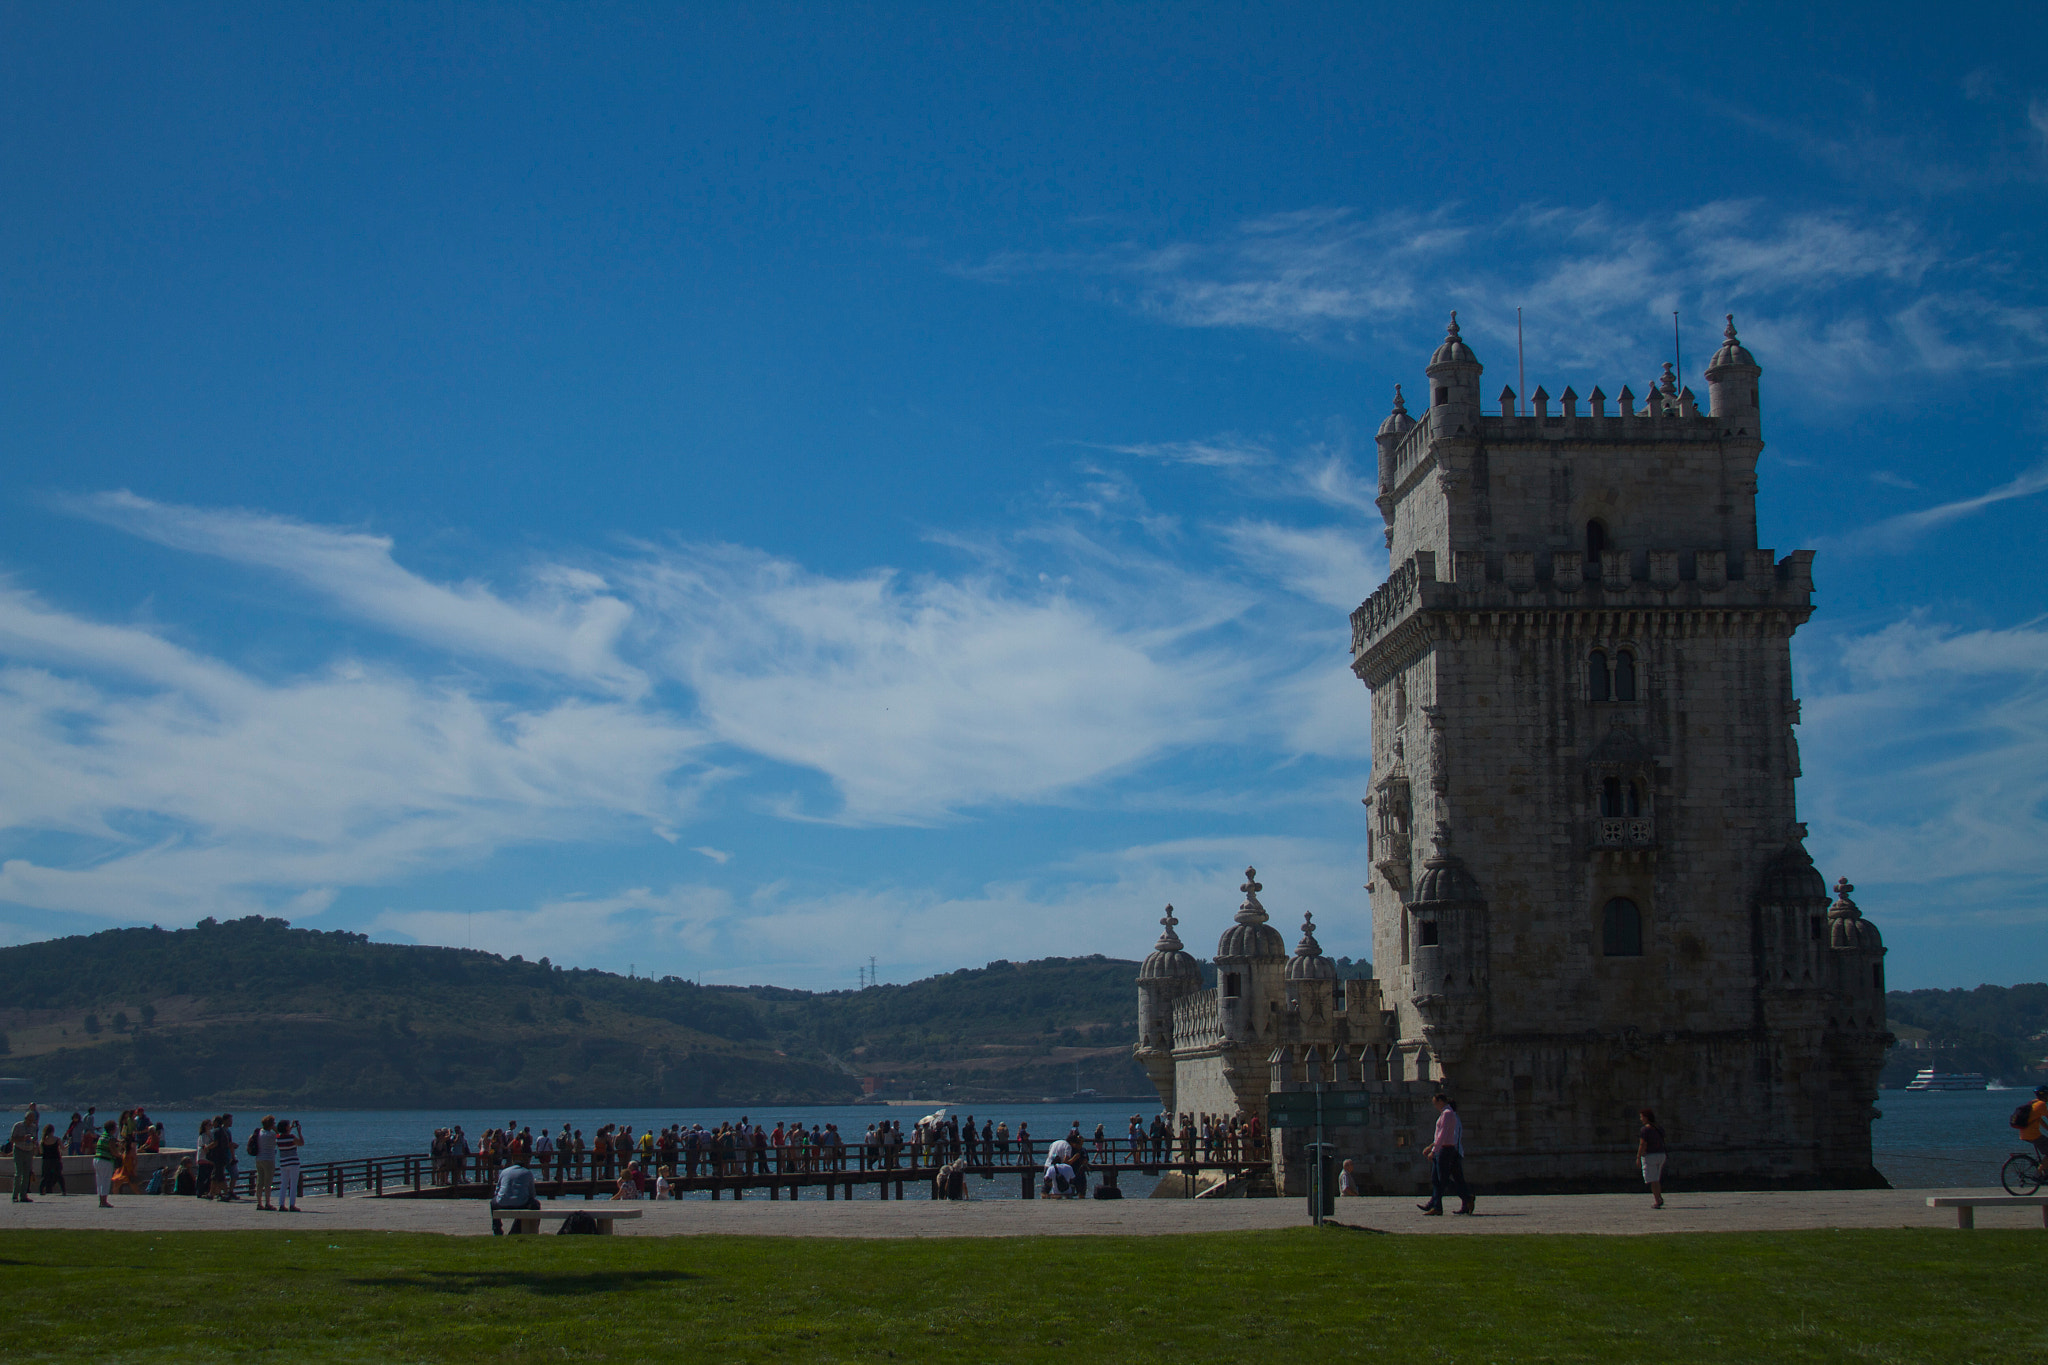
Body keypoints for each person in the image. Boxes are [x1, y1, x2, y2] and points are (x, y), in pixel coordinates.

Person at [1418, 1093, 1473, 1216]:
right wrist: (1432, 1147)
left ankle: (1465, 1197)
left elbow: (1443, 1135)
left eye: (1435, 1102)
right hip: (1442, 1149)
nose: (1434, 1105)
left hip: (1446, 1150)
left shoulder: (1448, 1114)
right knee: (1436, 1179)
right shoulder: (1445, 1114)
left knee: (1442, 1179)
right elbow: (1439, 1135)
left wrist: (1434, 1150)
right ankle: (1436, 1205)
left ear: (1441, 1101)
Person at [491, 1154, 539, 1235]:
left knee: (492, 1202)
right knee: (535, 1205)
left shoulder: (504, 1171)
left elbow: (497, 1190)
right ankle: (517, 1229)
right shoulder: (527, 1173)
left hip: (502, 1202)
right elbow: (532, 1193)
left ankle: (497, 1227)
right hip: (521, 1203)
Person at [1638, 1109, 1668, 1209]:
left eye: (1642, 1117)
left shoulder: (1645, 1130)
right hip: (1661, 1154)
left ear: (1646, 1117)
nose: (1641, 1119)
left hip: (1650, 1156)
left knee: (1652, 1179)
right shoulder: (1659, 1128)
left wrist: (1639, 1157)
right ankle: (1659, 1197)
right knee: (1656, 1178)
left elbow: (1643, 1144)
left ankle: (1657, 1200)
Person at [9, 1105, 38, 1202]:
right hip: (19, 1150)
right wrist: (23, 1138)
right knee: (19, 1174)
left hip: (29, 1151)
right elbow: (12, 1139)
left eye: (32, 1120)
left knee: (27, 1174)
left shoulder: (34, 1127)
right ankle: (15, 1195)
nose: (31, 1122)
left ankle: (23, 1195)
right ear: (25, 1118)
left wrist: (34, 1142)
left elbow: (35, 1138)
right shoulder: (18, 1126)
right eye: (29, 1120)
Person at [274, 1119, 304, 1212]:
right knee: (293, 1184)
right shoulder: (292, 1137)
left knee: (283, 1184)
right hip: (293, 1163)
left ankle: (281, 1204)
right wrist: (299, 1132)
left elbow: (280, 1133)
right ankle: (292, 1204)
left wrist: (290, 1127)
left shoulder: (278, 1138)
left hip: (283, 1163)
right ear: (287, 1128)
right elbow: (301, 1143)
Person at [2020, 1086, 2048, 1172]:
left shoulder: (2032, 1103)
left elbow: (2040, 1121)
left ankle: (2044, 1170)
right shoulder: (2041, 1104)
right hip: (2033, 1135)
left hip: (2024, 1134)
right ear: (2044, 1095)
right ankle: (2038, 1173)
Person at [255, 1116, 279, 1210]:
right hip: (269, 1159)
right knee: (268, 1183)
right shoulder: (271, 1135)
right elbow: (279, 1138)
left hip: (259, 1158)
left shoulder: (259, 1132)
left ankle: (259, 1202)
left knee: (259, 1182)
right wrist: (276, 1130)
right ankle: (267, 1203)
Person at [93, 1119, 118, 1207]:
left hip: (97, 1159)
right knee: (105, 1180)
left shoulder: (102, 1136)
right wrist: (120, 1155)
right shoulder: (110, 1138)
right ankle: (104, 1201)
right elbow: (113, 1151)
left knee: (99, 1180)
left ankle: (101, 1200)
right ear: (112, 1129)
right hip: (106, 1160)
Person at [39, 1123, 66, 1195]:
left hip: (46, 1160)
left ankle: (41, 1190)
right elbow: (63, 1148)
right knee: (59, 1175)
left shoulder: (42, 1141)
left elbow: (41, 1151)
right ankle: (63, 1191)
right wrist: (68, 1144)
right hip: (56, 1159)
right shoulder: (57, 1139)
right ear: (53, 1131)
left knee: (45, 1176)